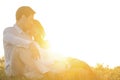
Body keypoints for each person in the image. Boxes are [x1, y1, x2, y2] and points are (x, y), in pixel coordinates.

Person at [3, 6, 97, 80]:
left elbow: (38, 54)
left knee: (60, 66)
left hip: (28, 68)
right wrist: (30, 44)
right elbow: (12, 39)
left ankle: (47, 72)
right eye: (31, 19)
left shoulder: (28, 35)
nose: (32, 22)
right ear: (23, 17)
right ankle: (45, 72)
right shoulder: (9, 31)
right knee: (19, 48)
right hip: (13, 68)